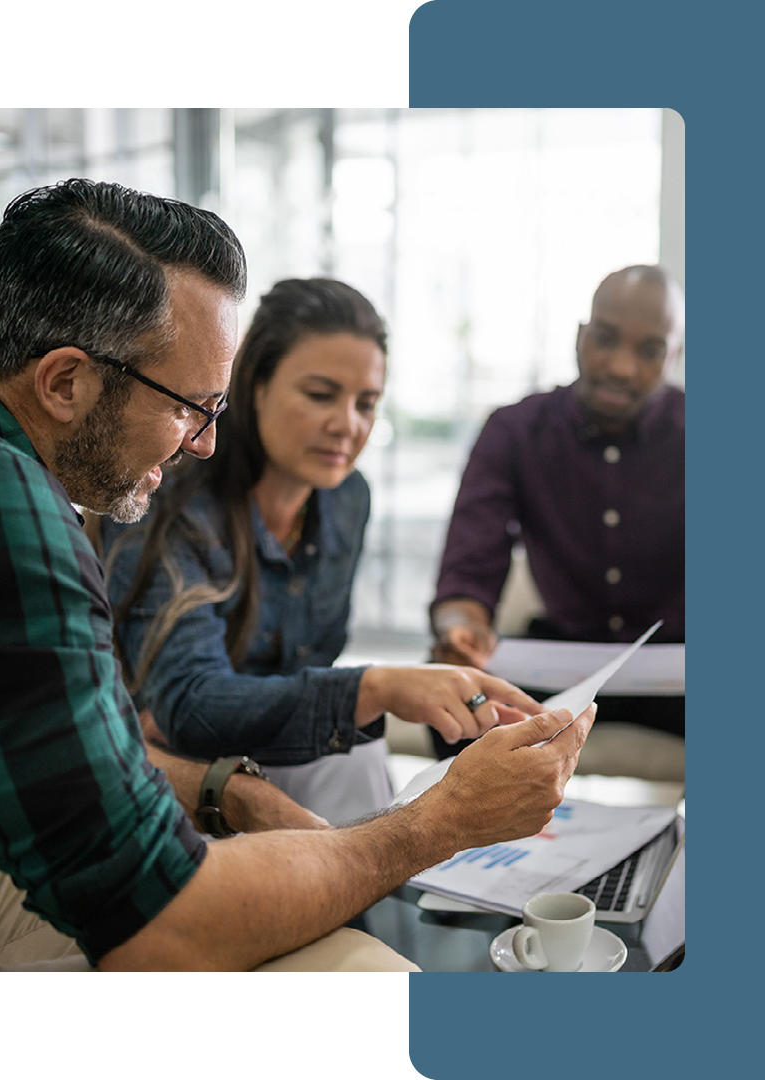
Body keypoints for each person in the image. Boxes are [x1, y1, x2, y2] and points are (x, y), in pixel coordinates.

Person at [0, 177, 596, 972]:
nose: (201, 440)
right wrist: (444, 818)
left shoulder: (23, 486)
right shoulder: (13, 504)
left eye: (212, 408)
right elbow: (161, 922)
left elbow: (67, 748)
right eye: (189, 406)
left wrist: (223, 787)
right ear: (64, 382)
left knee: (353, 773)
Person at [100, 278, 543, 824]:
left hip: (271, 750)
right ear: (254, 386)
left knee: (359, 760)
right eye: (319, 395)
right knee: (356, 759)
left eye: (367, 403)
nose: (348, 425)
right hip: (160, 767)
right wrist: (376, 685)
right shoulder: (171, 502)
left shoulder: (346, 499)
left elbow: (308, 668)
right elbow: (190, 707)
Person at [430, 265, 684, 751]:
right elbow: (469, 568)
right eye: (605, 339)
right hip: (559, 659)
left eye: (649, 351)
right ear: (580, 336)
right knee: (454, 698)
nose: (621, 367)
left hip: (677, 670)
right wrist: (460, 629)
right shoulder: (515, 431)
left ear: (675, 355)